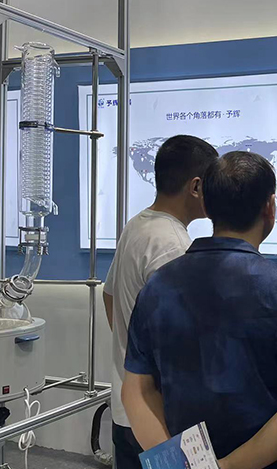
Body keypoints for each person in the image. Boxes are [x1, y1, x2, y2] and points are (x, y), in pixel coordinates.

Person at [122, 151, 277, 469]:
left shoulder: (158, 287)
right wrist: (227, 466)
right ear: (270, 207)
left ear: (205, 205)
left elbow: (136, 392)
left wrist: (178, 464)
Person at [103, 135, 217, 469]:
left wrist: (130, 353)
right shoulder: (173, 245)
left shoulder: (137, 225)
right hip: (162, 419)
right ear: (196, 187)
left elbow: (109, 296)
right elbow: (179, 341)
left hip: (128, 409)